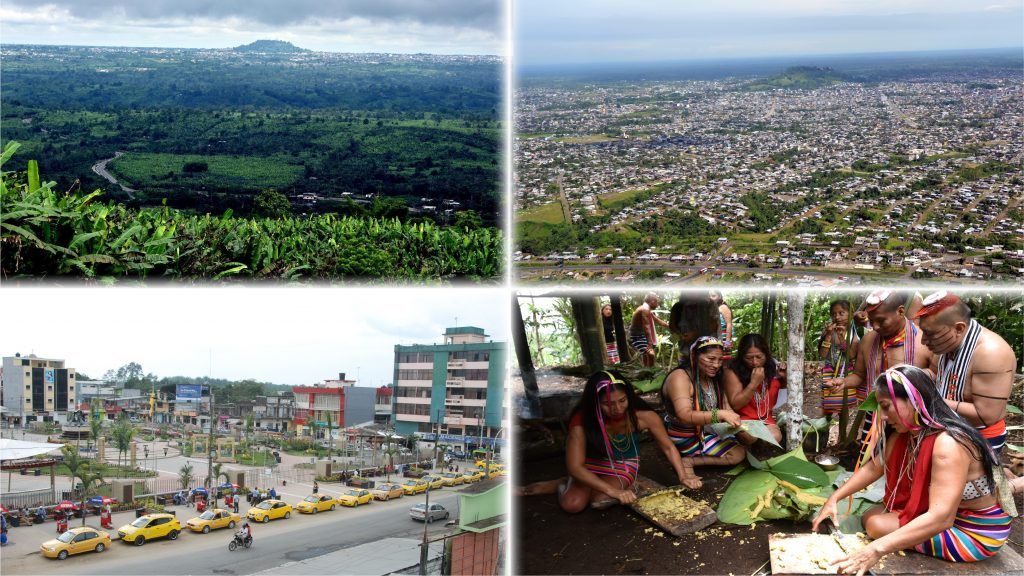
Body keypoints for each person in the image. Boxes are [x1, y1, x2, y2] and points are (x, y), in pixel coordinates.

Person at [812, 365, 1010, 573]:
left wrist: (875, 550)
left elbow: (942, 518)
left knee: (876, 525)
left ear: (914, 400)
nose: (884, 416)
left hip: (975, 532)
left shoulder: (948, 443)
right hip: (949, 518)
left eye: (886, 406)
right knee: (872, 517)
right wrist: (834, 498)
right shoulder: (906, 434)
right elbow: (874, 468)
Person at [517, 370, 694, 512]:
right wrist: (613, 489)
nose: (617, 409)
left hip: (623, 464)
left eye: (622, 401)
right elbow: (575, 466)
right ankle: (565, 483)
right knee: (573, 504)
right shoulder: (582, 421)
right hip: (588, 465)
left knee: (600, 500)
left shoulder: (644, 417)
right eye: (608, 404)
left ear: (629, 397)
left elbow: (668, 448)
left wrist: (683, 476)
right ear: (595, 403)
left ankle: (588, 485)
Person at [915, 291, 1016, 456]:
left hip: (979, 438)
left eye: (930, 334)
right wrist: (906, 378)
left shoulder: (991, 353)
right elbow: (935, 374)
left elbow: (987, 415)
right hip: (946, 429)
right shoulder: (946, 340)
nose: (923, 341)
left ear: (959, 328)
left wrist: (927, 399)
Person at [826, 290, 933, 442]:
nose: (875, 327)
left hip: (914, 418)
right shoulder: (869, 340)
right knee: (872, 459)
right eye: (872, 320)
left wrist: (911, 381)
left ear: (901, 311)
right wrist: (843, 382)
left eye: (881, 321)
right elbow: (859, 375)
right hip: (876, 415)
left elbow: (936, 379)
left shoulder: (924, 342)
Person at [662, 336, 745, 488]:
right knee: (738, 454)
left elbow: (726, 406)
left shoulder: (713, 377)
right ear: (695, 356)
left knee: (746, 440)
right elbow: (684, 415)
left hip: (706, 429)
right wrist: (719, 414)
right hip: (685, 434)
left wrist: (739, 423)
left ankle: (699, 453)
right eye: (711, 358)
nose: (716, 365)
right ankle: (689, 461)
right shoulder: (681, 377)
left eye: (720, 360)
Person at [723, 334, 788, 445]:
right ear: (741, 356)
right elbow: (736, 405)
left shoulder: (773, 367)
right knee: (750, 437)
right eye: (749, 358)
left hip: (765, 418)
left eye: (759, 357)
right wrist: (754, 383)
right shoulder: (732, 370)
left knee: (775, 437)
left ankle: (759, 447)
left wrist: (785, 377)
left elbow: (782, 390)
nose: (754, 362)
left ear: (766, 355)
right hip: (742, 419)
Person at [819, 299, 860, 417]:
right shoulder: (828, 332)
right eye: (834, 314)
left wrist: (842, 338)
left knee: (843, 409)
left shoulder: (854, 333)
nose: (837, 317)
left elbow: (851, 355)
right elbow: (822, 354)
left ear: (851, 314)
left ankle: (842, 434)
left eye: (842, 313)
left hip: (846, 375)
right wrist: (828, 335)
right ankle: (822, 433)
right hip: (829, 374)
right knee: (827, 408)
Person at [629, 293, 669, 367]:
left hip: (641, 334)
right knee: (650, 354)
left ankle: (646, 370)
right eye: (657, 302)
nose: (657, 304)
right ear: (653, 301)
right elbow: (646, 327)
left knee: (646, 354)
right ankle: (650, 372)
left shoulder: (646, 308)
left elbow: (657, 320)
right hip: (637, 335)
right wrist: (650, 344)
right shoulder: (645, 309)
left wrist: (669, 326)